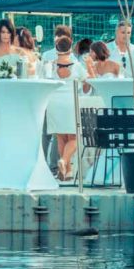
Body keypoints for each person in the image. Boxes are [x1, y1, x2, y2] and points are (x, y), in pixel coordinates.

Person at [41, 36, 90, 181]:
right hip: (70, 102)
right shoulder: (77, 65)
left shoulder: (50, 65)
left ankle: (67, 171)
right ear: (70, 48)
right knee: (75, 137)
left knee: (61, 137)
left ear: (56, 48)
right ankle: (63, 161)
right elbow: (86, 85)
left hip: (54, 103)